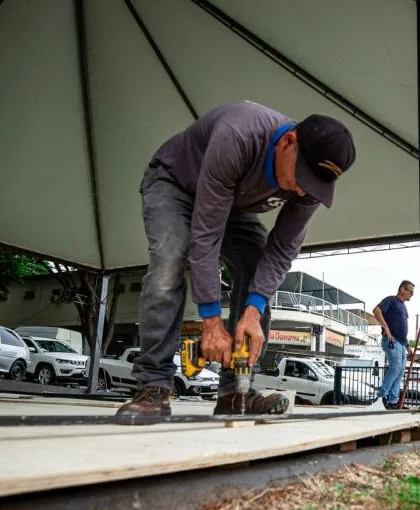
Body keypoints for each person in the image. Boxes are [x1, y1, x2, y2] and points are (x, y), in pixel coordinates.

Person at [116, 101, 356, 418]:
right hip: (176, 184)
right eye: (301, 176)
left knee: (258, 271)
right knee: (169, 260)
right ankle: (154, 386)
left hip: (232, 204)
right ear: (288, 141)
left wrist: (254, 310)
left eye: (312, 184)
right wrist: (211, 321)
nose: (302, 190)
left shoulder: (310, 185)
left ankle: (235, 391)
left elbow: (282, 249)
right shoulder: (240, 134)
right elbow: (206, 235)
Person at [373, 280, 414, 409]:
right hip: (392, 340)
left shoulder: (403, 306)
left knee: (400, 371)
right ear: (402, 289)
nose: (412, 294)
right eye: (410, 291)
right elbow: (376, 310)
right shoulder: (391, 300)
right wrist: (386, 327)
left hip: (401, 343)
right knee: (396, 367)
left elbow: (401, 328)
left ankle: (393, 401)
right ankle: (382, 397)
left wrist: (408, 346)